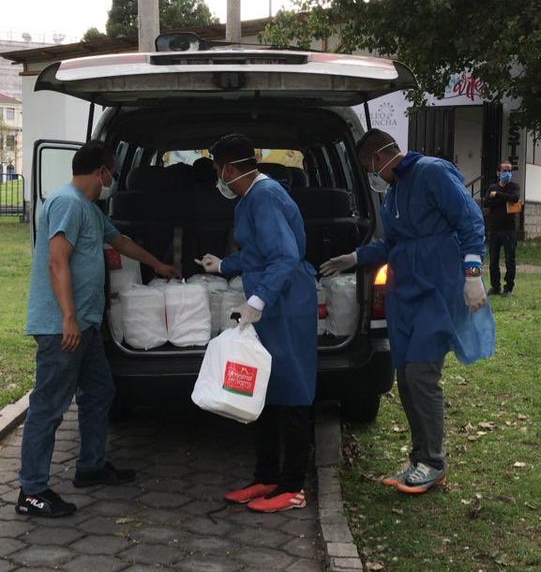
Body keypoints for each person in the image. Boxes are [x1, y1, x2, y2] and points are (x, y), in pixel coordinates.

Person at [321, 129, 495, 495]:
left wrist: (472, 272)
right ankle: (419, 459)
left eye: (369, 167)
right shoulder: (394, 192)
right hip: (407, 294)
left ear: (380, 158)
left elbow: (470, 220)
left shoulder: (433, 173)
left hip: (438, 288)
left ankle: (433, 461)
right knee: (405, 376)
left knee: (421, 375)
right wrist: (356, 257)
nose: (372, 175)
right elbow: (392, 242)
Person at [17, 141, 179, 519]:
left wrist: (159, 264)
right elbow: (57, 262)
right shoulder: (67, 203)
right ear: (101, 171)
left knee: (100, 392)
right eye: (113, 173)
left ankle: (90, 467)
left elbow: (119, 241)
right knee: (48, 407)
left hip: (85, 325)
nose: (113, 180)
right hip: (63, 328)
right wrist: (68, 317)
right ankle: (31, 491)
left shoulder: (89, 209)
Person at [199, 135, 317, 513]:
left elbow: (284, 256)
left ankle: (293, 486)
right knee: (265, 389)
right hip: (271, 305)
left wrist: (257, 300)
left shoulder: (264, 197)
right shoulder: (252, 198)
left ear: (229, 169)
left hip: (285, 305)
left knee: (294, 392)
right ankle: (266, 476)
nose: (218, 177)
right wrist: (225, 265)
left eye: (217, 169)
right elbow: (256, 252)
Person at [483, 161, 521, 295]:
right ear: (498, 173)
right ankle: (495, 286)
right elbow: (486, 202)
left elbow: (515, 198)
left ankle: (508, 287)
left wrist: (498, 196)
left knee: (510, 259)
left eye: (509, 171)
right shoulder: (492, 186)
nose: (507, 173)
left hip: (509, 229)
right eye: (504, 171)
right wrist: (503, 199)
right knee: (493, 260)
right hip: (494, 229)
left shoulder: (514, 186)